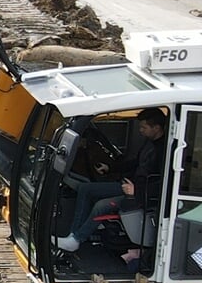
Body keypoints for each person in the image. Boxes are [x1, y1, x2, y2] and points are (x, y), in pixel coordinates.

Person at [56, 107, 168, 253]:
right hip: (129, 185)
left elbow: (164, 183)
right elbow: (135, 163)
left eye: (143, 127)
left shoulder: (164, 151)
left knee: (101, 206)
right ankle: (73, 234)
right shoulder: (149, 143)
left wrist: (136, 191)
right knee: (85, 188)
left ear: (157, 128)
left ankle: (77, 239)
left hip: (141, 193)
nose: (140, 130)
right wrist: (110, 168)